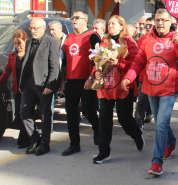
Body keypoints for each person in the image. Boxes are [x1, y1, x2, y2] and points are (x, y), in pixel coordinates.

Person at [121, 9, 178, 176]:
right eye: (158, 20)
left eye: (164, 20)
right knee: (162, 121)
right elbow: (139, 61)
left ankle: (156, 162)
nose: (160, 23)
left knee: (160, 123)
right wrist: (129, 78)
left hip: (169, 88)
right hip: (150, 87)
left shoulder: (177, 38)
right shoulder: (146, 40)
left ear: (170, 22)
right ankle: (171, 142)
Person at [92, 15, 144, 164]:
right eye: (109, 24)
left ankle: (137, 136)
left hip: (122, 87)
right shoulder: (103, 42)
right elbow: (95, 63)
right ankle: (104, 152)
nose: (111, 26)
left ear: (122, 26)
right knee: (104, 120)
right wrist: (96, 72)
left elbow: (135, 63)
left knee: (124, 118)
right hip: (106, 86)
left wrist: (119, 63)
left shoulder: (128, 42)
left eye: (114, 24)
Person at [61, 10, 100, 156]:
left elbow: (98, 59)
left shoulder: (92, 36)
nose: (74, 20)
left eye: (77, 18)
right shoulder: (68, 38)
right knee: (71, 112)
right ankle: (74, 144)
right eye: (73, 17)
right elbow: (64, 62)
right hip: (71, 80)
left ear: (85, 20)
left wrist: (91, 78)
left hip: (86, 79)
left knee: (88, 111)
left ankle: (97, 128)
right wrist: (63, 82)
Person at [19, 18, 60, 156]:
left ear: (43, 28)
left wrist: (50, 85)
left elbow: (55, 67)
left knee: (45, 114)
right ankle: (35, 139)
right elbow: (25, 64)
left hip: (43, 84)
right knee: (24, 112)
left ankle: (45, 143)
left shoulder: (51, 42)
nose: (33, 31)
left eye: (36, 28)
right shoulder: (29, 42)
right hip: (28, 84)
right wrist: (22, 83)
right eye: (31, 28)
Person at [0, 29, 31, 149]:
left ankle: (26, 139)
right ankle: (30, 137)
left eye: (20, 43)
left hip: (28, 90)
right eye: (15, 43)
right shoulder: (12, 56)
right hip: (17, 89)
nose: (18, 46)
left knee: (25, 114)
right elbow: (6, 73)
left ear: (25, 41)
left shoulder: (30, 55)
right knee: (19, 116)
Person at [133, 17, 155, 129]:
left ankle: (164, 129)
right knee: (141, 102)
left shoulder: (162, 39)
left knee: (159, 105)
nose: (147, 28)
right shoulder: (142, 39)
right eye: (146, 25)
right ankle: (138, 127)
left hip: (159, 78)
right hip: (144, 77)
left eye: (150, 25)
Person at [48, 21, 67, 132]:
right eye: (50, 30)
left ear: (60, 29)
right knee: (50, 100)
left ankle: (73, 121)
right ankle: (49, 126)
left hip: (66, 74)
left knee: (69, 100)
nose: (51, 32)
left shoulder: (67, 40)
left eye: (53, 29)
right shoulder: (49, 41)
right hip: (53, 74)